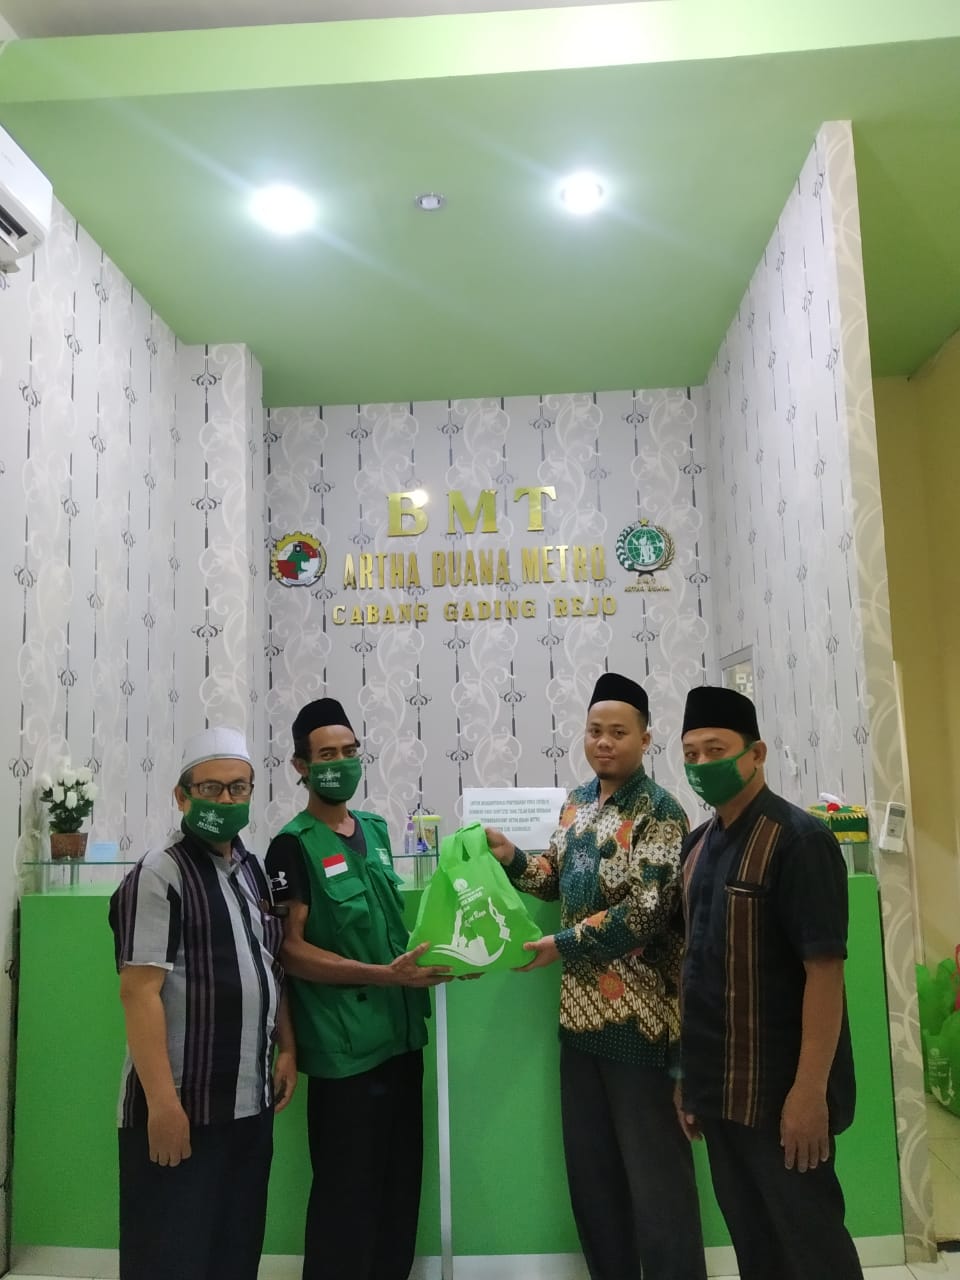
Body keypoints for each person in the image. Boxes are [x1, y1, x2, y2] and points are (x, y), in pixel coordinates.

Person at [485, 672, 707, 1280]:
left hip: (643, 1026)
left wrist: (560, 944)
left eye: (618, 732)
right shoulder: (578, 802)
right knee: (593, 1179)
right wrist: (511, 858)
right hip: (579, 1025)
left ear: (645, 739)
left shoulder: (661, 813)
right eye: (594, 731)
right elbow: (554, 880)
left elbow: (646, 913)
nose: (603, 742)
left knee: (657, 1184)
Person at [676, 684, 862, 1280]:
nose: (702, 764)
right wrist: (689, 1080)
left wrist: (809, 1095)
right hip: (720, 1093)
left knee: (813, 1249)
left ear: (756, 753)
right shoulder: (696, 847)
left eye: (716, 750)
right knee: (755, 1248)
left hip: (781, 1096)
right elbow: (695, 969)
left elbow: (824, 973)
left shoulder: (800, 841)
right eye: (691, 754)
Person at [265, 697, 451, 1280]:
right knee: (346, 1199)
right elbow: (289, 951)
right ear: (301, 766)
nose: (341, 764)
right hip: (344, 1052)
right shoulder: (291, 845)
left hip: (401, 1039)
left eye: (349, 752)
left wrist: (451, 956)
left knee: (399, 1191)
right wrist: (382, 976)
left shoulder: (374, 829)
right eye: (327, 755)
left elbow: (393, 931)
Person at [109, 727, 296, 1280]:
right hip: (183, 1109)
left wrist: (287, 1047)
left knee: (234, 1255)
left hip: (247, 1105)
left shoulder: (251, 868)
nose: (225, 800)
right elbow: (139, 992)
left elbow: (270, 963)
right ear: (182, 795)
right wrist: (163, 1107)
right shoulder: (158, 873)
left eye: (238, 788)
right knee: (171, 1258)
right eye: (210, 788)